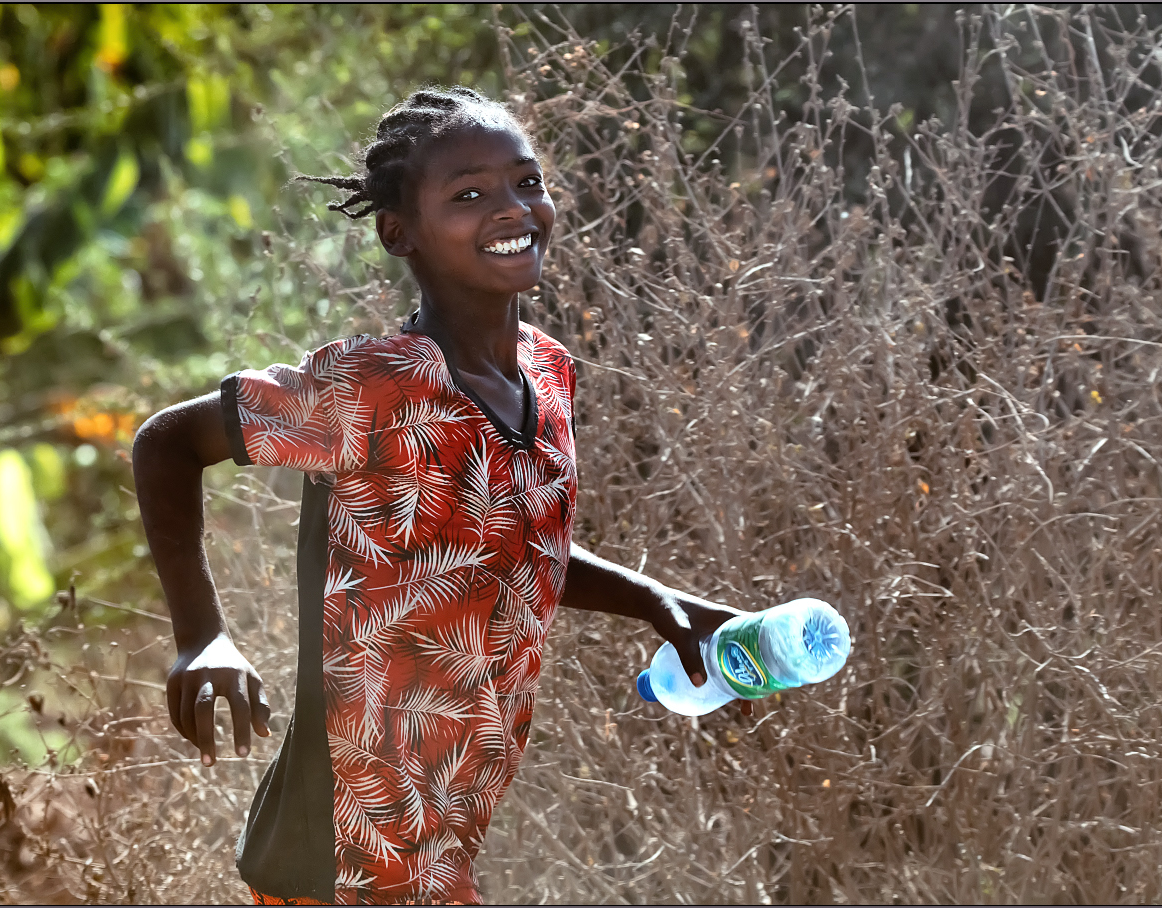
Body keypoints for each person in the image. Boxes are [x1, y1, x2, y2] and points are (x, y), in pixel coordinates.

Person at [132, 86, 750, 907]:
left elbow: (511, 544)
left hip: (444, 841)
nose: (511, 209)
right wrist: (202, 637)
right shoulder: (374, 385)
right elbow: (167, 443)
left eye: (526, 182)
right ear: (401, 233)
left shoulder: (549, 374)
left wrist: (660, 604)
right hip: (346, 847)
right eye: (468, 196)